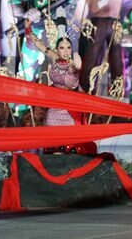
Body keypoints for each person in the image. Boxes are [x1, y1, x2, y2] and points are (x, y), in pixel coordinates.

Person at [24, 19, 96, 154]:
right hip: (55, 103)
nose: (66, 50)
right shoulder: (54, 58)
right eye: (62, 47)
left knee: (69, 142)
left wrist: (74, 66)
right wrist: (28, 29)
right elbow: (39, 43)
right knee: (52, 130)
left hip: (70, 106)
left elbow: (77, 69)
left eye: (68, 47)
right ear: (57, 49)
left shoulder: (74, 59)